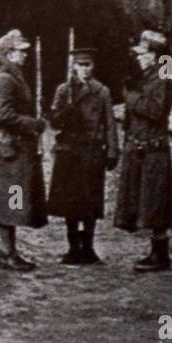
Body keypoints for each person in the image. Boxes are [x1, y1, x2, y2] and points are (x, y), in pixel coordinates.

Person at [47, 47, 119, 265]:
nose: (84, 69)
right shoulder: (63, 90)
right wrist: (63, 114)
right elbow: (54, 122)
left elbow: (110, 124)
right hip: (69, 151)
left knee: (90, 202)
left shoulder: (102, 92)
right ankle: (72, 248)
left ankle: (88, 248)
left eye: (88, 65)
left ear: (93, 66)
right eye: (80, 65)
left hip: (91, 151)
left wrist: (112, 151)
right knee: (70, 202)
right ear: (74, 66)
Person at [0, 28, 48, 271]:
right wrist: (34, 124)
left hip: (19, 148)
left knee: (15, 200)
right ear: (9, 54)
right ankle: (10, 254)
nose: (25, 55)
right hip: (12, 150)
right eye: (21, 52)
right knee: (12, 201)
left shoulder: (13, 77)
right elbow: (5, 116)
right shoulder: (5, 81)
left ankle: (11, 251)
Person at [114, 29, 172, 272]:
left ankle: (160, 255)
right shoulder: (147, 78)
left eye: (143, 54)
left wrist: (129, 97)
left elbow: (155, 110)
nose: (138, 58)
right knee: (148, 202)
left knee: (156, 204)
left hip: (153, 149)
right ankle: (156, 253)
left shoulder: (161, 79)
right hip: (143, 148)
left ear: (155, 56)